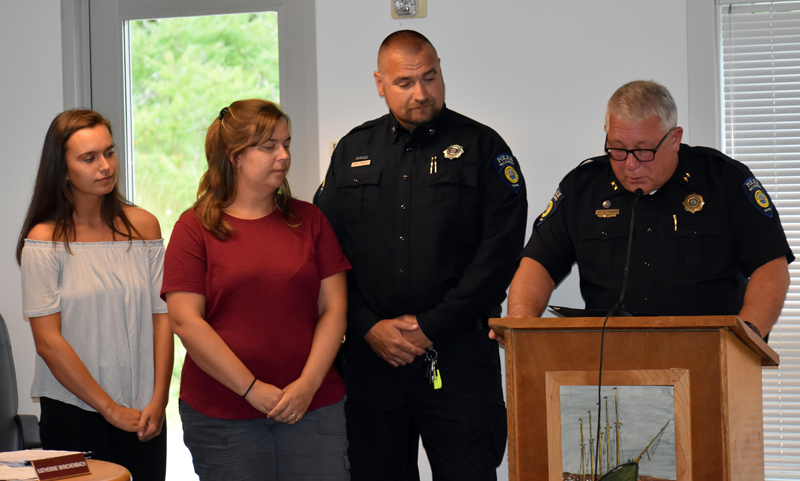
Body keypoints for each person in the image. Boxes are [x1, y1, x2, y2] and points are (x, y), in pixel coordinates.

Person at [315, 30, 528, 481]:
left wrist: (431, 326)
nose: (421, 93)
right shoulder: (352, 150)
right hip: (373, 360)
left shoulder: (483, 147)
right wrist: (366, 326)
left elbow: (500, 254)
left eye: (430, 78)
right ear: (380, 83)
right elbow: (325, 253)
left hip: (459, 357)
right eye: (405, 82)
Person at [496, 80, 792, 340]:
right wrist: (521, 316)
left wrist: (747, 336)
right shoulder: (584, 186)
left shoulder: (724, 180)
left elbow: (770, 267)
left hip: (708, 354)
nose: (630, 164)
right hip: (607, 362)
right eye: (617, 149)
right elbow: (539, 261)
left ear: (674, 139)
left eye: (643, 151)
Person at [161, 99, 351, 480]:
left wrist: (307, 386)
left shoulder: (310, 221)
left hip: (312, 406)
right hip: (223, 414)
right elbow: (186, 322)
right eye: (269, 146)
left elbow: (334, 309)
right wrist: (251, 389)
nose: (283, 156)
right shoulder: (193, 228)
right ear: (234, 157)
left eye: (287, 143)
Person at [17, 109, 172, 479]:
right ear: (63, 168)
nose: (105, 166)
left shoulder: (144, 226)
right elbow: (48, 342)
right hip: (70, 414)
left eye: (109, 152)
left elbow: (162, 319)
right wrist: (108, 408)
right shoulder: (43, 240)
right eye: (89, 158)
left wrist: (160, 398)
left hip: (143, 414)